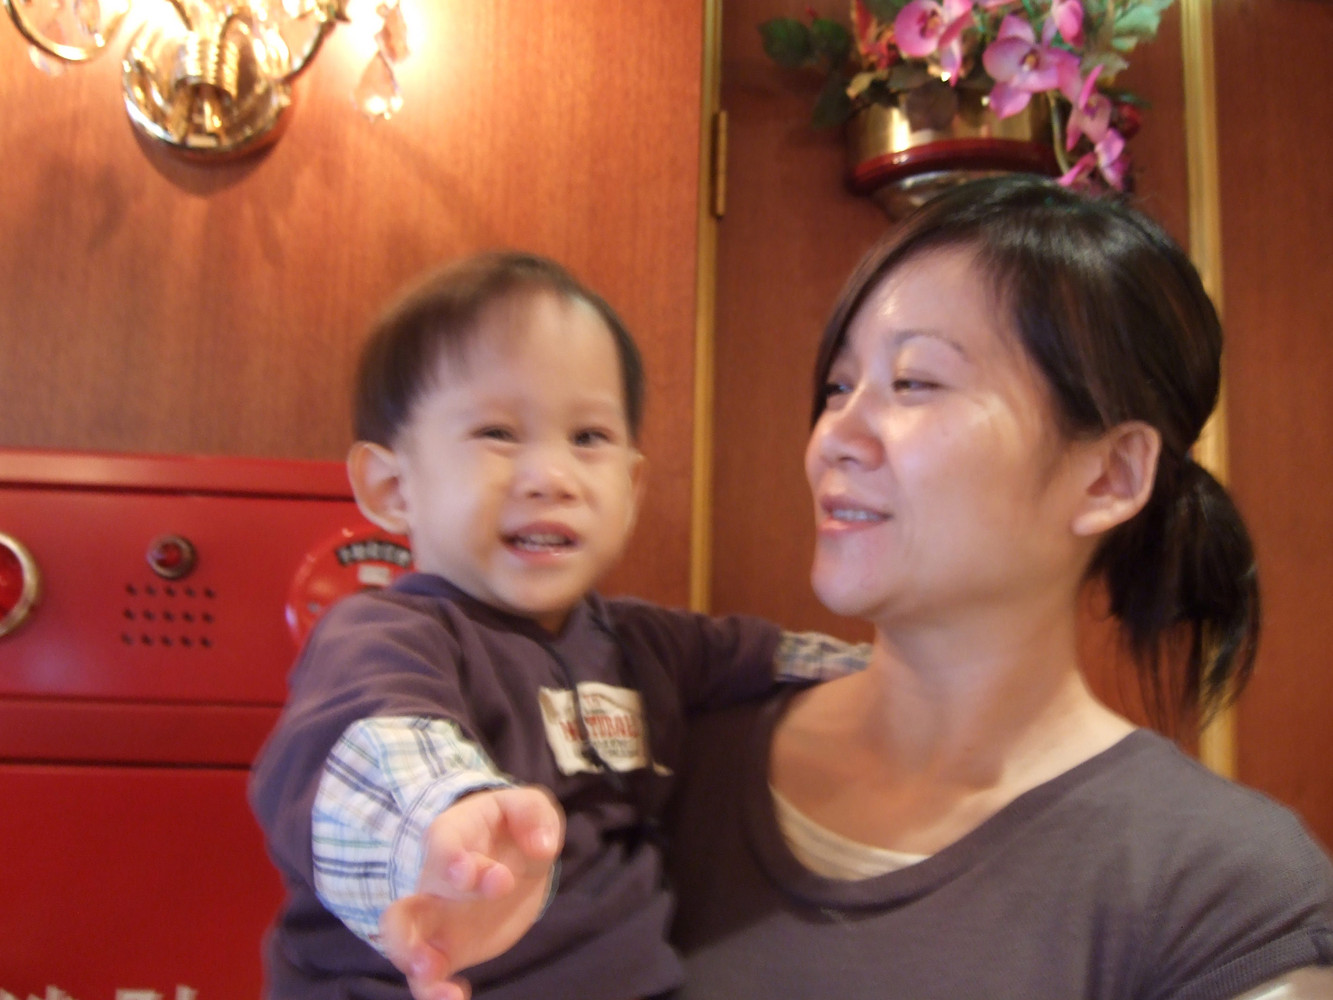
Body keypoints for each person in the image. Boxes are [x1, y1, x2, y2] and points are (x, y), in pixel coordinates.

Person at [664, 176, 1333, 999]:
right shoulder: (668, 760)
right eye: (838, 386)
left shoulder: (1227, 895)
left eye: (914, 382)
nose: (834, 435)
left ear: (1108, 476)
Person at [248, 251, 865, 1000]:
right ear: (392, 486)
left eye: (588, 438)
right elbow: (366, 746)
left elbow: (780, 658)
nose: (551, 477)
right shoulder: (388, 634)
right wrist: (445, 825)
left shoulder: (645, 645)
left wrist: (905, 671)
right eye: (498, 433)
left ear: (631, 486)